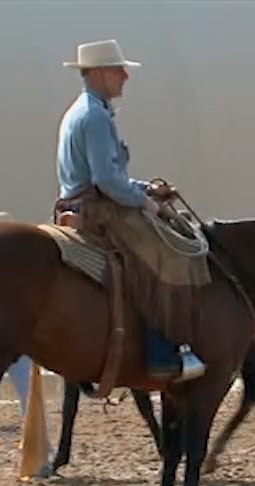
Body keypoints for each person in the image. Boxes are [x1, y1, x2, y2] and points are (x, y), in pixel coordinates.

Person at [54, 38, 206, 384]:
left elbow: (111, 176)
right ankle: (164, 351)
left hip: (85, 201)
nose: (125, 76)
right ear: (101, 74)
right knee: (169, 254)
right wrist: (147, 203)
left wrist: (144, 188)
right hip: (99, 210)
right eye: (119, 70)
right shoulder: (94, 116)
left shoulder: (86, 110)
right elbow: (107, 180)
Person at [0, 211, 54, 468]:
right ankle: (42, 457)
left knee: (26, 399)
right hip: (16, 343)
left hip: (3, 343)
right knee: (29, 398)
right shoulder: (21, 269)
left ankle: (42, 455)